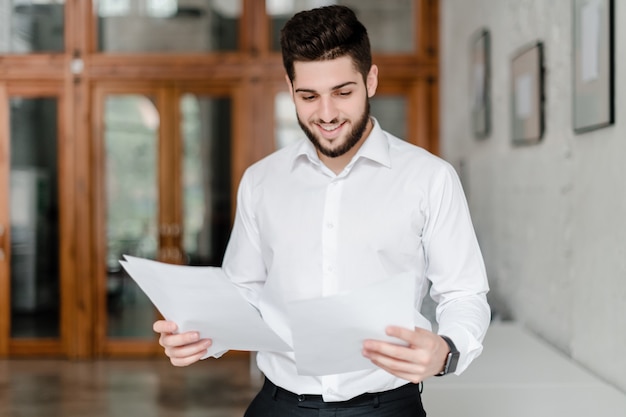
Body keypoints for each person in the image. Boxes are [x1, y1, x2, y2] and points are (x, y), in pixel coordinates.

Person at [153, 5, 490, 416]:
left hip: (387, 406)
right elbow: (245, 292)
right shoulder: (261, 181)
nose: (327, 114)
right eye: (308, 96)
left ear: (371, 80)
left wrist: (448, 351)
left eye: (343, 92)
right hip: (278, 404)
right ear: (290, 87)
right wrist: (203, 333)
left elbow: (463, 292)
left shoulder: (430, 178)